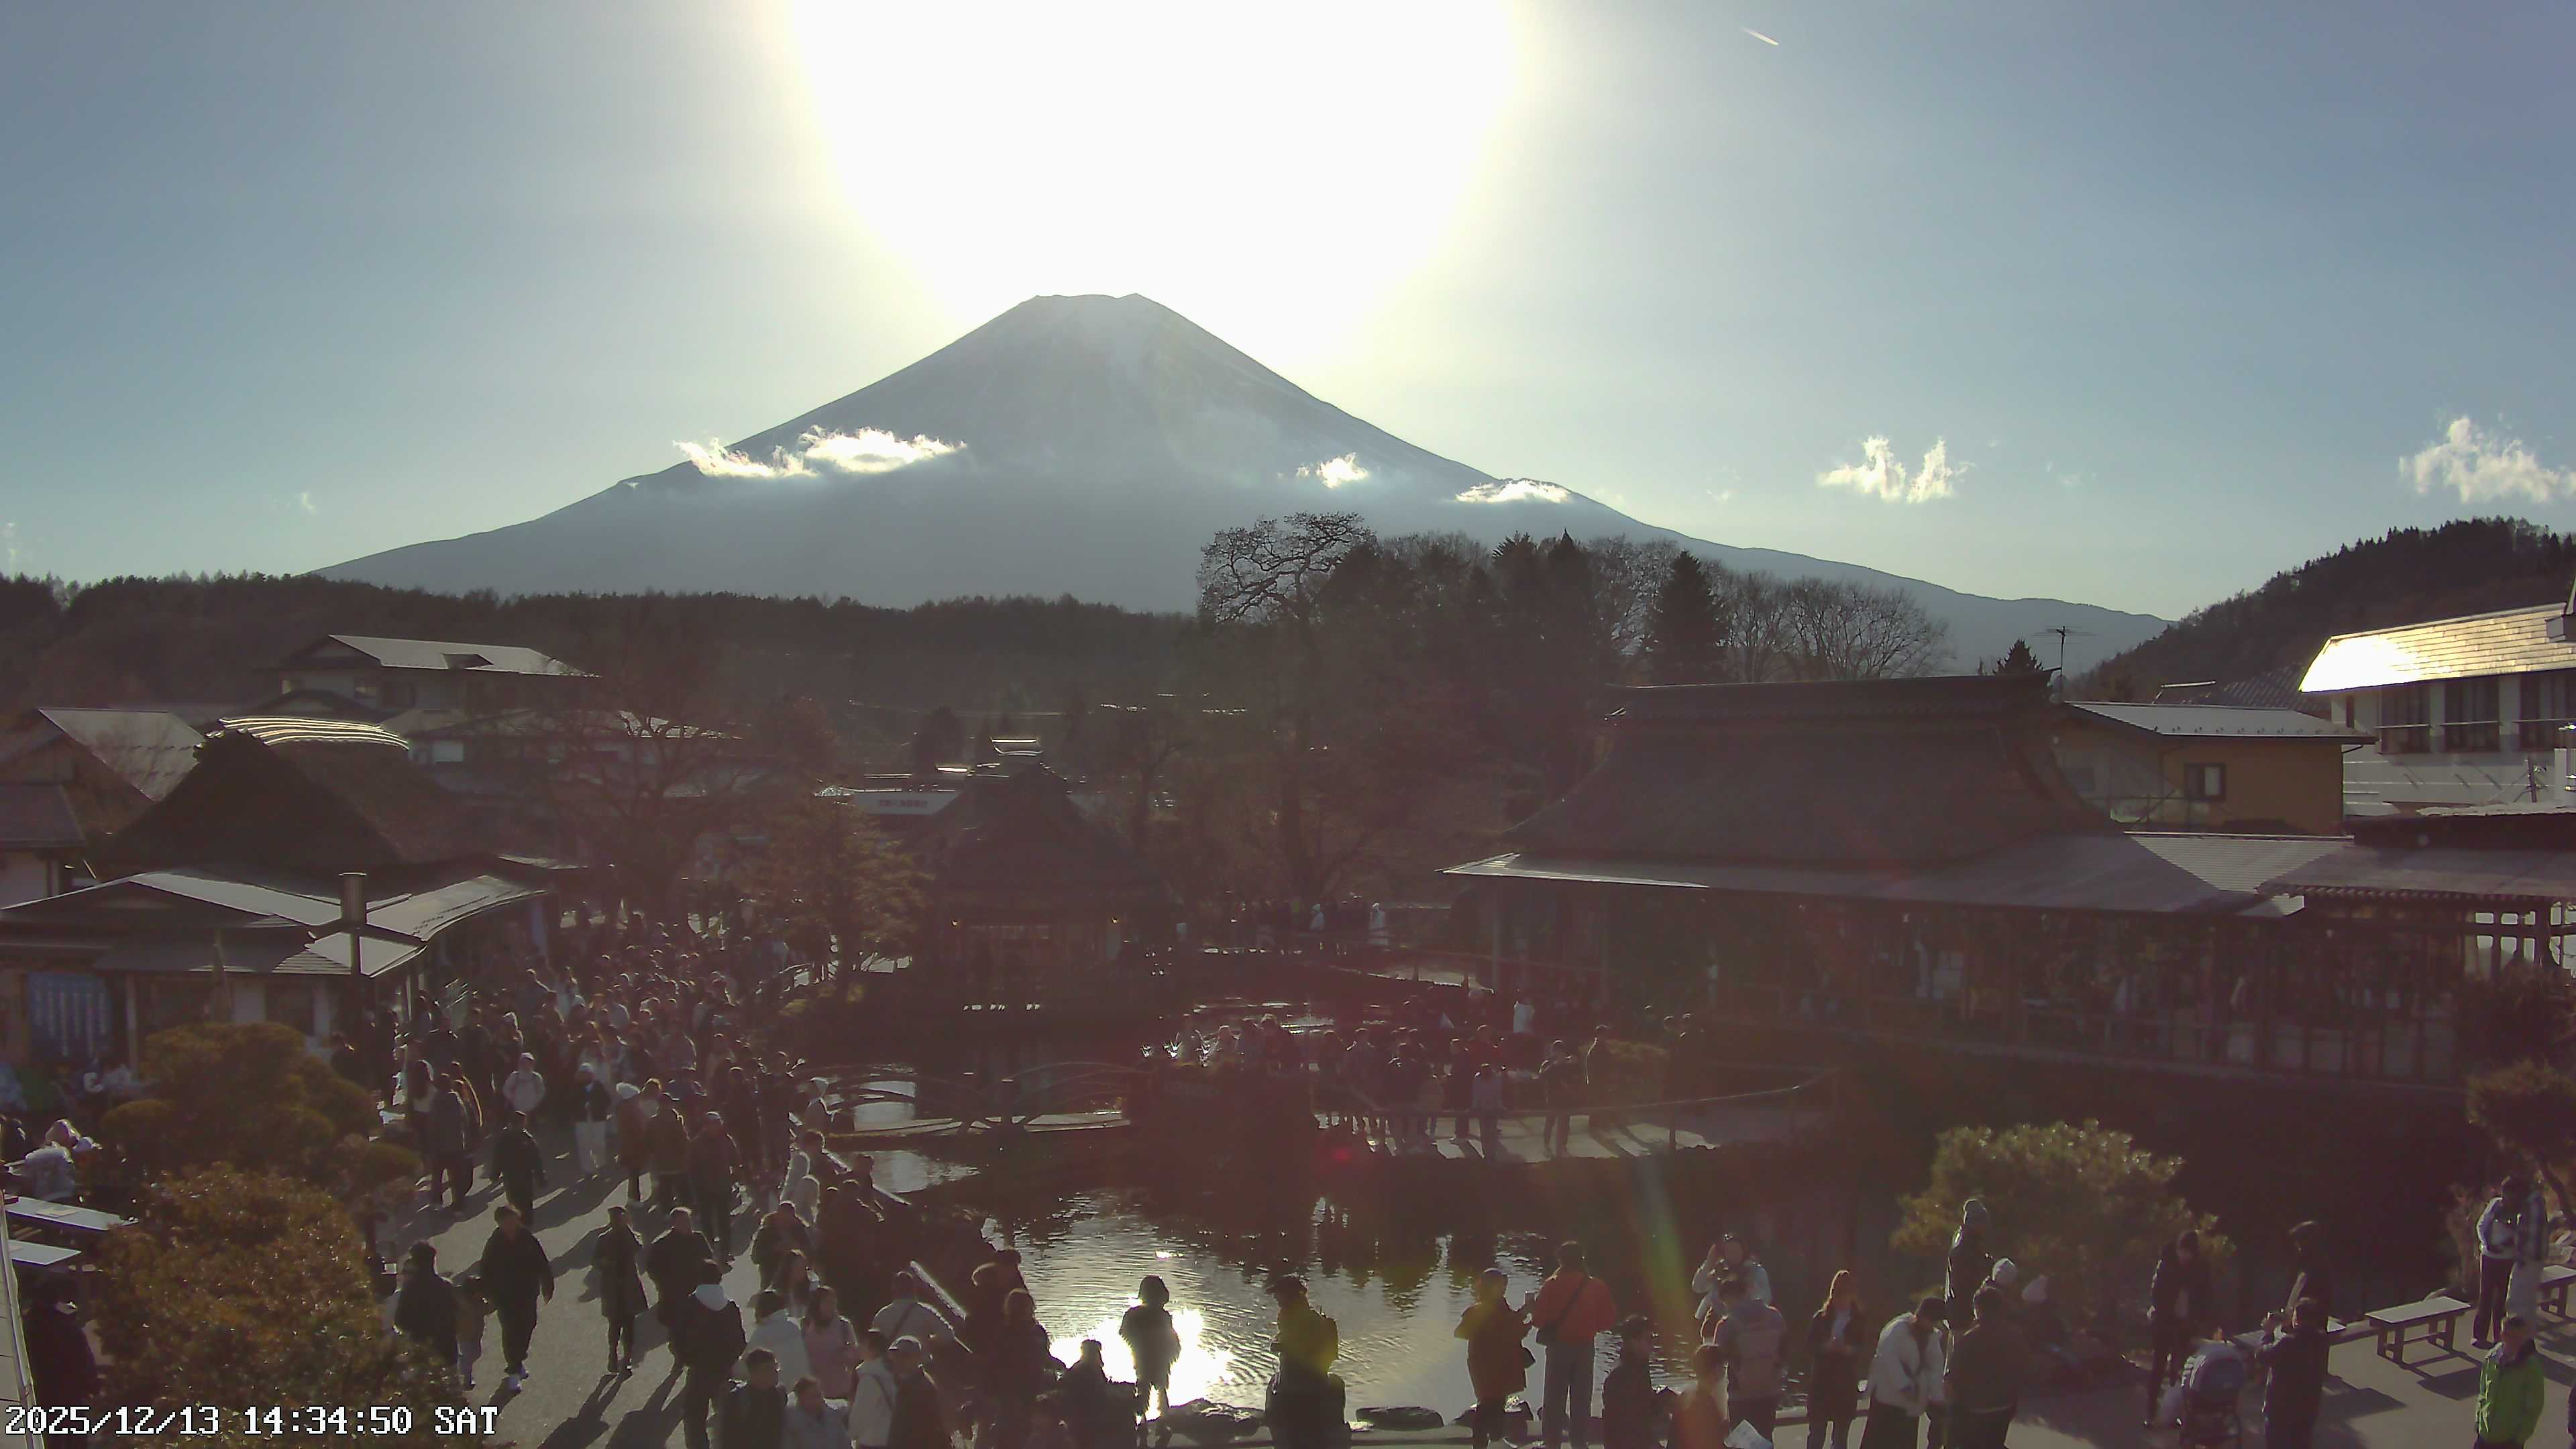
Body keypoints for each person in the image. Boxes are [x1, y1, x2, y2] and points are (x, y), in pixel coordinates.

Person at [1528, 1242, 1617, 1449]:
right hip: (1585, 1347)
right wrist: (1589, 1325)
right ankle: (1579, 1442)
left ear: (1561, 1260)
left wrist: (1532, 1308)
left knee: (1554, 1399)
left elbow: (1539, 1320)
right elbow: (1608, 1321)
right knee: (1581, 1399)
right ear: (1582, 1259)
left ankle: (1552, 1443)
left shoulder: (1551, 1285)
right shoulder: (1596, 1286)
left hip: (1559, 1348)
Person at [476, 1203, 555, 1388]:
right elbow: (485, 1270)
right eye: (507, 1222)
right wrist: (487, 1294)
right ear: (500, 1224)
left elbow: (542, 1263)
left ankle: (518, 1359)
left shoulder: (528, 1239)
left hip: (527, 1293)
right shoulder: (494, 1243)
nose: (511, 1225)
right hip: (504, 1296)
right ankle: (513, 1370)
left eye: (513, 1220)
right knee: (511, 1331)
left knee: (528, 1324)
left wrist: (548, 1286)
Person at [2145, 1229, 2214, 1426]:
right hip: (2165, 1323)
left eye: (2188, 1252)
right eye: (2182, 1251)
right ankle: (2151, 1413)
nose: (2184, 1256)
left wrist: (2198, 1319)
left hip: (2186, 1324)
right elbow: (2156, 1294)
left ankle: (2176, 1412)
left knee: (2181, 1369)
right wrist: (2164, 1314)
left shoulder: (2200, 1269)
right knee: (2158, 1367)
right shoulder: (2166, 1264)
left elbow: (2206, 1297)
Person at [1943, 1286, 2026, 1449]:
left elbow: (1952, 1379)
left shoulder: (1970, 1339)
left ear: (1977, 1309)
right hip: (2005, 1404)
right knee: (1995, 1443)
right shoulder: (2015, 1335)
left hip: (1974, 1408)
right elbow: (2025, 1368)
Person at [1455, 1268, 1530, 1449]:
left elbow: (1462, 1332)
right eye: (1502, 1284)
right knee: (1491, 1404)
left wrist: (1522, 1314)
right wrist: (1526, 1320)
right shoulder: (1493, 1308)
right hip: (1497, 1364)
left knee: (1490, 1402)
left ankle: (1490, 1440)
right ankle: (1490, 1441)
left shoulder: (1481, 1308)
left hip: (1481, 1363)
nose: (1504, 1287)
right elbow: (1512, 1330)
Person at [1861, 1297, 1947, 1449]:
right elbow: (1888, 1359)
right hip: (1887, 1400)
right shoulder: (1898, 1329)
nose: (1933, 1325)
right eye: (1932, 1320)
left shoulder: (1932, 1337)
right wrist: (1904, 1386)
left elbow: (1935, 1368)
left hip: (1910, 1404)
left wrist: (1937, 1397)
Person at [1266, 1276, 1341, 1449]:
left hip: (1299, 1381)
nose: (1276, 1298)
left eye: (1279, 1294)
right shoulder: (1308, 1316)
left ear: (1289, 1295)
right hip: (1315, 1378)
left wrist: (1277, 1345)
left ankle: (1279, 1432)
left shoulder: (1296, 1317)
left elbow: (1292, 1346)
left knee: (1273, 1384)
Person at [678, 1270, 751, 1449]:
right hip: (725, 1371)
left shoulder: (689, 1305)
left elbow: (679, 1338)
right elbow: (740, 1342)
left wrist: (688, 1359)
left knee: (694, 1417)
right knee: (727, 1417)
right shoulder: (730, 1306)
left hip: (699, 1371)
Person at [1709, 1275, 1787, 1440]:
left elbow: (1717, 1359)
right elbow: (1785, 1351)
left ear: (1729, 1298)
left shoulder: (1726, 1325)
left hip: (1740, 1395)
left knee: (1742, 1440)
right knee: (1765, 1437)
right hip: (1769, 1391)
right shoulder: (1775, 1316)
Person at [988, 1288, 1062, 1449]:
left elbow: (1044, 1356)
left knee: (1028, 1429)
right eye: (1028, 1308)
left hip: (1033, 1387)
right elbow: (997, 1363)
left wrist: (1059, 1367)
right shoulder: (1006, 1333)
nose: (1032, 1312)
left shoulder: (1037, 1332)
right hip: (1012, 1389)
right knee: (1011, 1431)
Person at [1805, 1271, 1870, 1449]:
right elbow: (1810, 1346)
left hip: (1845, 1385)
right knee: (1816, 1436)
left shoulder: (1858, 1320)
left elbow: (1863, 1349)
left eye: (1845, 1296)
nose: (1841, 1301)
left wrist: (1848, 1350)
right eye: (1837, 1296)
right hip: (1822, 1383)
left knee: (1840, 1439)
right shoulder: (1821, 1318)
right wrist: (1826, 1347)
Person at [2255, 1297, 2330, 1449]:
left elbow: (2262, 1354)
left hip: (2281, 1407)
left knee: (2276, 1443)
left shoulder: (2287, 1343)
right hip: (2308, 1404)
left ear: (2297, 1319)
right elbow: (2303, 1337)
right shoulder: (2322, 1339)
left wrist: (2268, 1333)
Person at [1121, 1275, 1183, 1436]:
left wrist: (1137, 1344)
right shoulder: (1161, 1315)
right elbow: (1171, 1338)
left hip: (1146, 1356)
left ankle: (1145, 1420)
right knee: (1160, 1386)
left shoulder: (1134, 1314)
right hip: (1156, 1356)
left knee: (1145, 1386)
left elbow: (1124, 1332)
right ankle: (1159, 1420)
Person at [2475, 1316, 2545, 1449]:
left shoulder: (2531, 1367)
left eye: (2517, 1337)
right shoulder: (2491, 1358)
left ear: (2524, 1337)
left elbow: (2534, 1407)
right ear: (2502, 1335)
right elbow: (2483, 1393)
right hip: (2484, 1436)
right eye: (2507, 1335)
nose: (2513, 1341)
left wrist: (2519, 1438)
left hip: (2510, 1441)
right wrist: (2479, 1421)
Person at [392, 1242, 461, 1375]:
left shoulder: (410, 1290)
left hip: (422, 1350)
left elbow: (401, 1321)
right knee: (450, 1382)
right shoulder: (445, 1286)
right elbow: (456, 1314)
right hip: (447, 1348)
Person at [596, 1203, 650, 1375]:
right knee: (615, 1324)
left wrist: (628, 1230)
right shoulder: (604, 1239)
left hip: (627, 1286)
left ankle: (626, 1358)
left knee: (628, 1326)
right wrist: (605, 1263)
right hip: (613, 1287)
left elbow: (638, 1248)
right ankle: (613, 1354)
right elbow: (596, 1260)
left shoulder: (630, 1236)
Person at [651, 1207, 717, 1332]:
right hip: (676, 1294)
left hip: (698, 1290)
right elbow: (654, 1269)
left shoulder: (698, 1238)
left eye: (689, 1220)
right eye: (684, 1221)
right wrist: (664, 1285)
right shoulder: (662, 1244)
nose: (689, 1224)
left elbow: (709, 1259)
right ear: (674, 1224)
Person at [1598, 1314, 1660, 1449]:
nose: (1653, 1345)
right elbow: (1627, 1424)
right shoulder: (1620, 1376)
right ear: (1633, 1342)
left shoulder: (1639, 1365)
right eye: (1649, 1339)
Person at [694, 1112, 745, 1263]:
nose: (714, 1127)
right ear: (705, 1126)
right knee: (706, 1222)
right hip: (704, 1188)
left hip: (723, 1187)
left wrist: (735, 1176)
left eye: (717, 1124)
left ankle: (725, 1251)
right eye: (711, 1124)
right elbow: (692, 1167)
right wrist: (695, 1188)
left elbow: (735, 1160)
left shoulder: (726, 1140)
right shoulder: (698, 1143)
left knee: (724, 1221)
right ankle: (708, 1251)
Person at [1060, 1339, 1124, 1449]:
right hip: (1086, 1419)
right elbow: (1101, 1393)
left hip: (1081, 1417)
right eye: (1097, 1352)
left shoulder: (1081, 1368)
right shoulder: (1088, 1369)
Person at [804, 1285, 865, 1402]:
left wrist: (845, 1355)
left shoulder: (844, 1326)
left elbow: (856, 1354)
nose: (831, 1306)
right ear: (817, 1304)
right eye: (827, 1302)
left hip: (840, 1390)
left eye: (833, 1302)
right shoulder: (806, 1326)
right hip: (813, 1390)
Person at [722, 1346, 791, 1449]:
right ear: (753, 1372)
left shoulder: (780, 1394)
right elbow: (728, 1439)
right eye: (768, 1369)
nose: (775, 1373)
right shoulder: (737, 1399)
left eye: (776, 1368)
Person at [887, 1337, 948, 1449]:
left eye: (905, 1356)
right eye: (896, 1356)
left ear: (917, 1359)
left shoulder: (922, 1387)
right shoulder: (904, 1382)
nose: (899, 1360)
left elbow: (922, 1430)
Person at [874, 1271, 959, 1346]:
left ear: (894, 1289)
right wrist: (927, 1341)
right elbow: (948, 1335)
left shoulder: (882, 1315)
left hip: (892, 1359)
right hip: (919, 1358)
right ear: (913, 1289)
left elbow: (874, 1343)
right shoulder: (925, 1312)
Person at [752, 1288, 813, 1391]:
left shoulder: (761, 1334)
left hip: (778, 1390)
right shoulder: (794, 1324)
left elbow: (746, 1366)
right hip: (803, 1386)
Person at [1671, 1343, 1729, 1449]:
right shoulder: (1705, 1404)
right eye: (1723, 1366)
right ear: (1716, 1371)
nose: (1725, 1371)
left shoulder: (1688, 1393)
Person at [491, 1109, 546, 1222]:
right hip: (516, 1177)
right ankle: (521, 1222)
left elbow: (497, 1158)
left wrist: (495, 1174)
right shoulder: (518, 1139)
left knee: (521, 1202)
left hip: (518, 1177)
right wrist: (540, 1178)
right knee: (520, 1203)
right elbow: (536, 1160)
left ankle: (523, 1222)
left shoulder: (509, 1138)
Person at [1946, 1200, 1994, 1328]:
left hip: (1965, 1311)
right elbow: (1962, 1285)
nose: (1986, 1227)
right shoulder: (1964, 1248)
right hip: (1964, 1314)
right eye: (1983, 1223)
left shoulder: (1972, 1243)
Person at [849, 1330, 900, 1449]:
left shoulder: (869, 1378)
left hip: (871, 1440)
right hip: (891, 1438)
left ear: (875, 1350)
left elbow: (861, 1412)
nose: (859, 1347)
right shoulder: (892, 1373)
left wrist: (851, 1435)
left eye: (863, 1344)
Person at [2284, 1221, 2337, 1320]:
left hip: (2309, 1327)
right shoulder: (2302, 1270)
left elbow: (2322, 1305)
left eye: (2300, 1243)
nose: (2298, 1247)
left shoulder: (2320, 1270)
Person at [787, 1374, 857, 1449]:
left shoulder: (832, 1418)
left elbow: (845, 1443)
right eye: (812, 1396)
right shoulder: (793, 1423)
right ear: (801, 1399)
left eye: (819, 1395)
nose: (818, 1400)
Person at [572, 1063, 614, 1178]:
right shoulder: (575, 1087)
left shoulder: (599, 1086)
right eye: (582, 1074)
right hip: (582, 1120)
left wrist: (594, 1105)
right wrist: (581, 1107)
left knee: (599, 1144)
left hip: (598, 1119)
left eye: (587, 1074)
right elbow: (570, 1103)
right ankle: (588, 1170)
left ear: (592, 1075)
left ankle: (601, 1165)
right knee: (584, 1145)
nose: (585, 1076)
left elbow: (607, 1101)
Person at [455, 1275, 490, 1391]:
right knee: (469, 1356)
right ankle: (467, 1379)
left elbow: (488, 1309)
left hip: (475, 1334)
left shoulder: (478, 1302)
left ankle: (461, 1364)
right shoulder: (466, 1304)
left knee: (475, 1354)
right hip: (464, 1334)